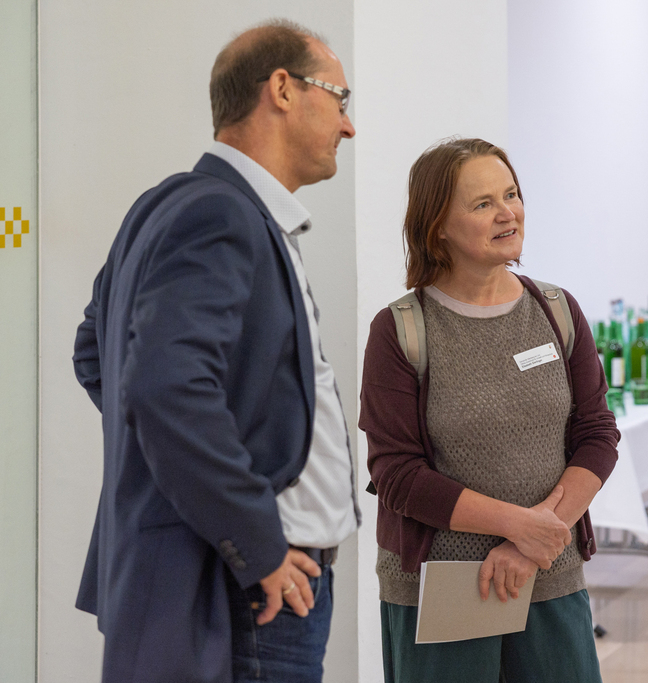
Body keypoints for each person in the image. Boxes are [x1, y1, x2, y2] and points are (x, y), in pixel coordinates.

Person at [72, 20, 358, 683]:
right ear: (281, 89)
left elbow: (98, 356)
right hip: (252, 591)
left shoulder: (176, 205)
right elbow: (162, 388)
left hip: (250, 581)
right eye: (339, 99)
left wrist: (187, 449)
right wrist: (257, 541)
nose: (349, 126)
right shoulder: (220, 213)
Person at [359, 137, 619, 682]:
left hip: (548, 577)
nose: (507, 213)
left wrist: (533, 545)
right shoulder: (401, 330)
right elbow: (397, 475)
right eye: (483, 203)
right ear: (438, 226)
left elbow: (597, 435)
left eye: (511, 194)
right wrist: (517, 526)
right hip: (445, 590)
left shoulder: (557, 311)